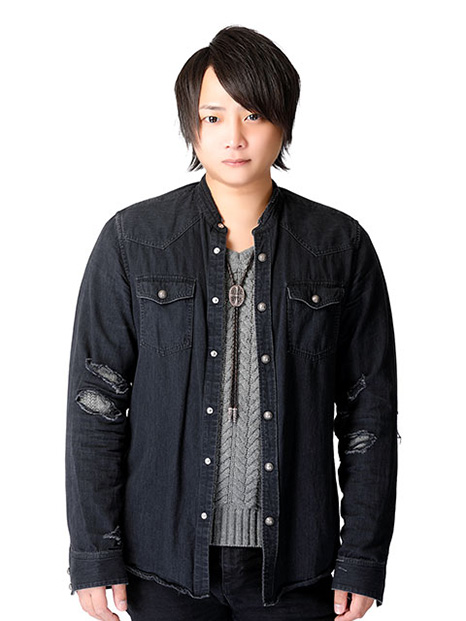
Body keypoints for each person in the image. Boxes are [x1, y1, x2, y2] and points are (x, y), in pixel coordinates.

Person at [65, 26, 398, 621]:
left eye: (254, 115)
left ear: (283, 123)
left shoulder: (339, 246)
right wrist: (94, 555)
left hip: (298, 566)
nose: (235, 137)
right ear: (191, 126)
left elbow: (369, 413)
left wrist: (362, 558)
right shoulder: (133, 240)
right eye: (214, 117)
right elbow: (96, 407)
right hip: (161, 563)